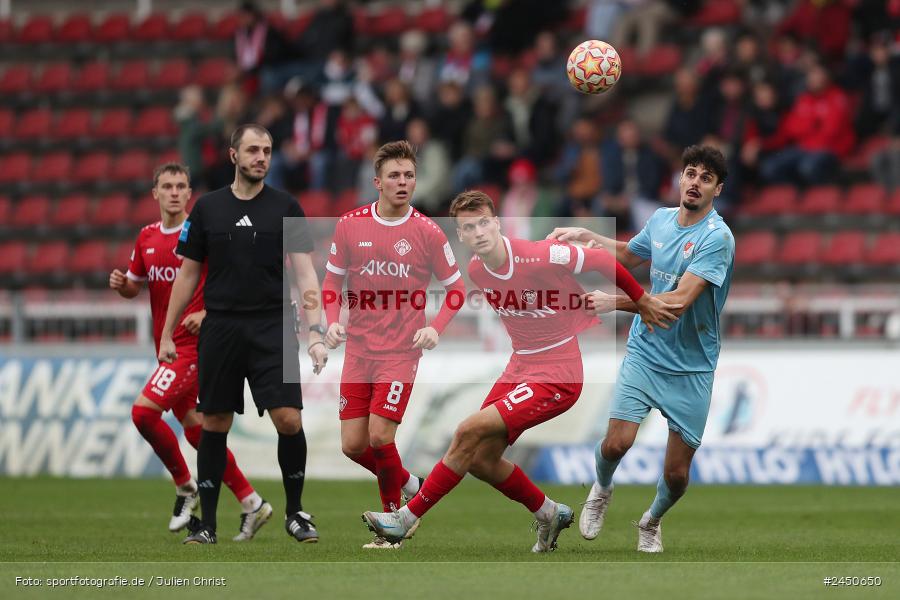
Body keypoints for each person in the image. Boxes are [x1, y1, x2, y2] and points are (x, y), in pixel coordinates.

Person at [362, 190, 681, 552]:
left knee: (467, 429)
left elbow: (598, 261)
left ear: (497, 223)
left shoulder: (536, 254)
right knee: (481, 458)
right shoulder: (478, 271)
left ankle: (405, 519)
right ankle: (549, 513)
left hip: (557, 373)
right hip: (520, 366)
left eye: (485, 222)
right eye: (470, 227)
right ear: (462, 236)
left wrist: (642, 301)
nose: (480, 231)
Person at [547, 145, 735, 553]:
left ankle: (651, 521)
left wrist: (614, 302)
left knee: (678, 474)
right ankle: (601, 488)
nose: (695, 182)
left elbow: (678, 303)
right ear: (680, 179)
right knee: (617, 443)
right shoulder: (662, 220)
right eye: (691, 173)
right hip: (646, 352)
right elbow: (629, 256)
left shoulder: (716, 238)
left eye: (706, 178)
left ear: (716, 189)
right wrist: (587, 237)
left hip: (691, 366)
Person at [158, 125, 328, 545]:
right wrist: (166, 333)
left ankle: (295, 513)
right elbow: (188, 273)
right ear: (233, 155)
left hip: (274, 326)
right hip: (221, 327)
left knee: (288, 419)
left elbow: (305, 271)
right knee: (214, 422)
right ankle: (210, 526)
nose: (262, 157)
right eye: (253, 150)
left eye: (267, 151)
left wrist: (317, 330)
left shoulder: (286, 205)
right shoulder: (208, 209)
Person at [109, 163, 269, 541]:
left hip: (196, 347)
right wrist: (121, 285)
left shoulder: (200, 234)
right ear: (156, 193)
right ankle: (252, 502)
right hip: (166, 347)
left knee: (143, 413)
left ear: (188, 192)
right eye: (168, 186)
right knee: (200, 435)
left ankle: (185, 486)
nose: (176, 192)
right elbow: (135, 285)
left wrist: (207, 311)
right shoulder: (146, 236)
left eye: (182, 185)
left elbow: (231, 280)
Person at [322, 140, 466, 549]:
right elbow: (332, 282)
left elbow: (455, 289)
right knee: (353, 445)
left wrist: (435, 328)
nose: (403, 182)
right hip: (358, 351)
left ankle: (393, 529)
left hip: (400, 352)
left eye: (409, 176)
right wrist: (332, 323)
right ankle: (409, 484)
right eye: (394, 176)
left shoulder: (427, 231)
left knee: (381, 436)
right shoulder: (350, 224)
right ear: (377, 183)